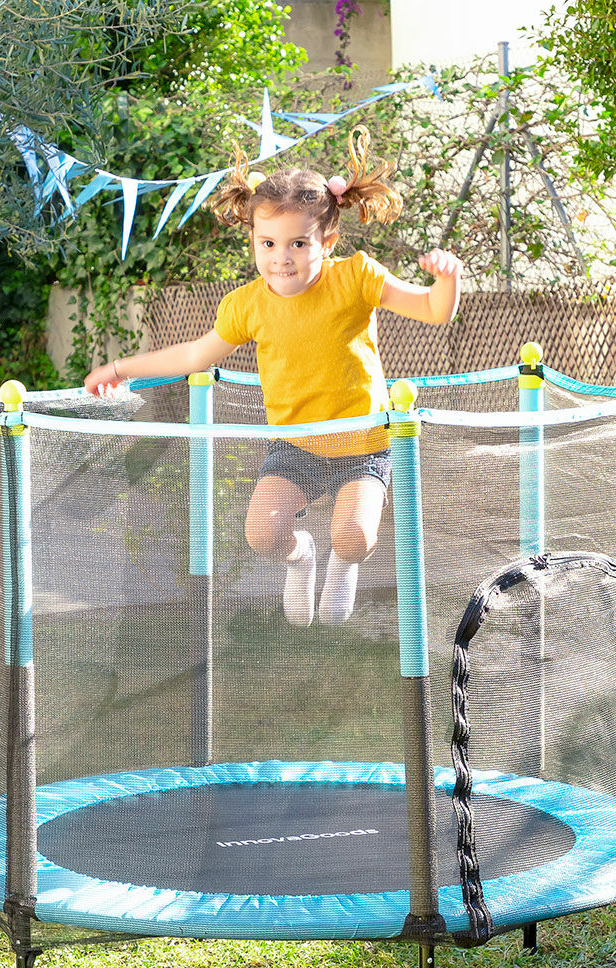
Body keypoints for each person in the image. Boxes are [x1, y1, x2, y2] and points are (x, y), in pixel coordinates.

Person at [85, 126, 462, 626]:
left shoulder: (356, 277)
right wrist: (119, 368)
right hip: (296, 444)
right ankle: (303, 555)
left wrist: (447, 279)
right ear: (253, 240)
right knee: (262, 534)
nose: (280, 257)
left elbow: (435, 311)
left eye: (297, 243)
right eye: (268, 243)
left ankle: (342, 560)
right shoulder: (247, 305)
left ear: (327, 240)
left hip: (362, 441)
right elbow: (195, 355)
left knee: (355, 537)